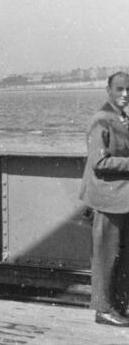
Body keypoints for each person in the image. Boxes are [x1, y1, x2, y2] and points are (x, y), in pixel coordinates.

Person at [80, 71, 129, 327]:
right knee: (106, 256)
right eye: (119, 89)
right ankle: (103, 309)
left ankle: (118, 305)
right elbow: (99, 162)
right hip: (108, 199)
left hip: (121, 198)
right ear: (108, 90)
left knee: (120, 256)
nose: (125, 94)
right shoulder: (101, 120)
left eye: (128, 90)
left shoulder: (120, 117)